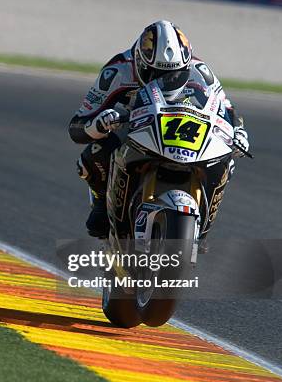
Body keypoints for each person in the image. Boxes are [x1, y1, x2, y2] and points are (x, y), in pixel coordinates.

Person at [67, 20, 250, 239]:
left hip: (182, 130)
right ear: (140, 62)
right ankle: (101, 202)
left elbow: (226, 108)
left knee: (226, 161)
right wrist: (98, 124)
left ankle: (203, 219)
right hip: (132, 128)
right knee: (93, 155)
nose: (167, 80)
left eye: (175, 74)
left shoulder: (200, 70)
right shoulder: (117, 71)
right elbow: (77, 126)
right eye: (158, 74)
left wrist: (239, 131)